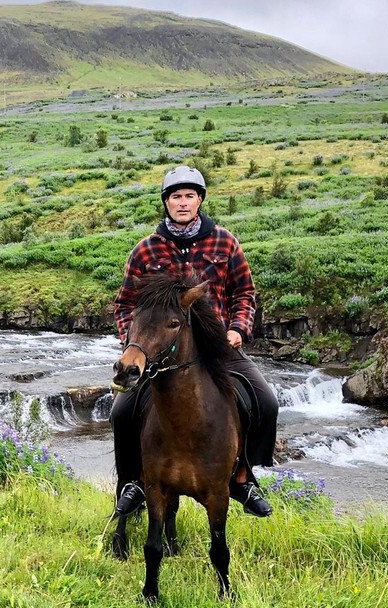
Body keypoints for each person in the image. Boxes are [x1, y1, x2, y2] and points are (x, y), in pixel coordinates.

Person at [109, 165, 278, 518]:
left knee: (265, 400)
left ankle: (243, 477)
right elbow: (125, 303)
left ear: (199, 200)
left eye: (189, 196)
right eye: (175, 197)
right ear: (166, 203)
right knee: (121, 412)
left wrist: (238, 329)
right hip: (160, 354)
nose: (182, 203)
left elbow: (244, 293)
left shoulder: (225, 241)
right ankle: (134, 481)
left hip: (218, 348)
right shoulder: (145, 250)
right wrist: (135, 341)